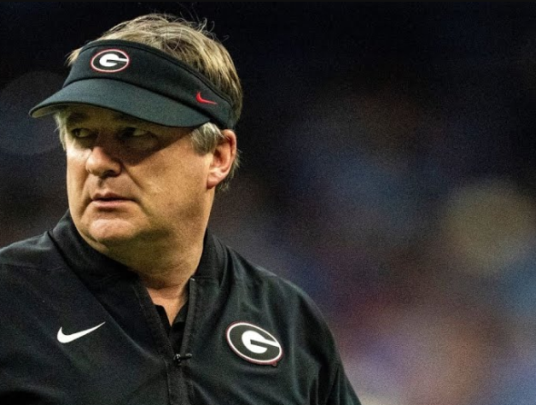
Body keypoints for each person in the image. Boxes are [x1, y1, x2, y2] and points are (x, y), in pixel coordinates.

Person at [0, 13, 362, 405]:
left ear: (218, 156)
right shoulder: (11, 301)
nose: (97, 161)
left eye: (133, 133)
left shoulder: (288, 322)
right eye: (81, 133)